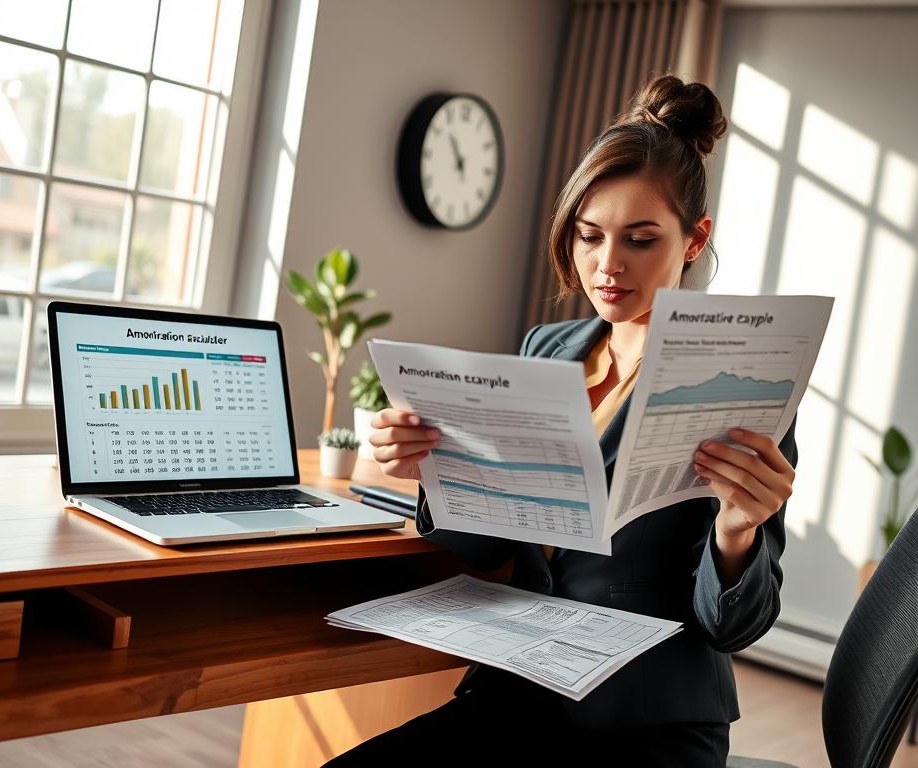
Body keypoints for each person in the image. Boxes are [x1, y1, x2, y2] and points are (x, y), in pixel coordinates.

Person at [325, 74, 797, 767]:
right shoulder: (547, 351)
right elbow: (490, 550)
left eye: (640, 239)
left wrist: (736, 531)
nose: (607, 266)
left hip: (648, 723)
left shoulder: (745, 386)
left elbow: (733, 628)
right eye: (589, 235)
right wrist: (435, 463)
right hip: (520, 694)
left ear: (695, 239)